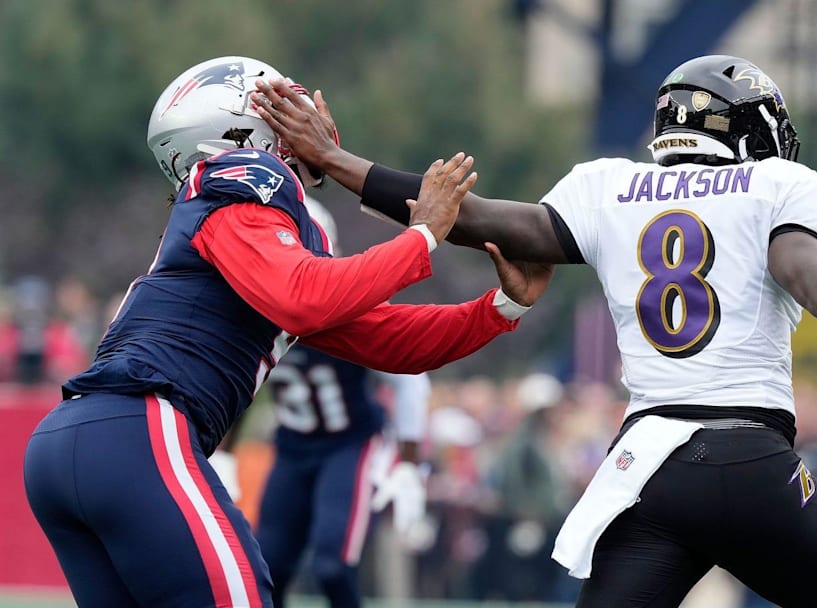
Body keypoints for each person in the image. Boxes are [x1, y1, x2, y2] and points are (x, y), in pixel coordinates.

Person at [252, 54, 817, 608]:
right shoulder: (776, 181)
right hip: (748, 458)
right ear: (747, 127)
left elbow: (474, 220)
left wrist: (337, 158)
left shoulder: (608, 187)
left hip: (649, 473)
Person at [22, 55, 552, 608]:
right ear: (246, 129)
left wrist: (503, 307)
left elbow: (385, 338)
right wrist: (422, 237)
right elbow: (304, 297)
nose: (314, 118)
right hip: (139, 432)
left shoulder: (240, 226)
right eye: (285, 108)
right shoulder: (245, 179)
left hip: (79, 440)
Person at [256, 198, 433, 608]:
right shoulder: (252, 303)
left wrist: (409, 463)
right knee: (266, 569)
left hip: (348, 443)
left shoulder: (348, 303)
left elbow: (411, 380)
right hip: (291, 446)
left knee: (332, 566)